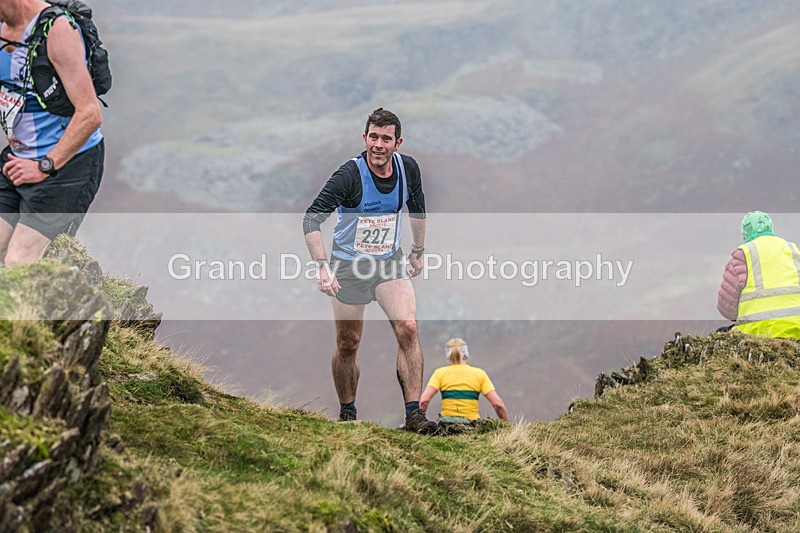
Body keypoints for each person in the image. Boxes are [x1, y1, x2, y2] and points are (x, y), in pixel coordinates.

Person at [303, 108, 437, 433]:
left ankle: (414, 415)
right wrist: (323, 267)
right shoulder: (349, 175)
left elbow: (417, 210)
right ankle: (348, 414)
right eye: (373, 137)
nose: (378, 145)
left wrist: (418, 251)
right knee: (348, 342)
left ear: (397, 142)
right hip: (348, 267)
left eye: (386, 138)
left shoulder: (408, 170)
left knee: (408, 328)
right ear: (364, 139)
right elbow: (311, 219)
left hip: (390, 262)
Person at [0, 0, 104, 266]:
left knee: (18, 261)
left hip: (66, 167)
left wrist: (44, 166)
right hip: (17, 160)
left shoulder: (57, 30)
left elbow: (90, 114)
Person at [717, 211, 800, 339]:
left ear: (745, 233)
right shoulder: (793, 249)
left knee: (721, 334)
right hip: (796, 329)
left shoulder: (743, 254)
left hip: (756, 331)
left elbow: (726, 308)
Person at [419, 338, 508, 429]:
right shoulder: (479, 374)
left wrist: (418, 423)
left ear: (448, 355)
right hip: (471, 425)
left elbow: (423, 401)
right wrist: (507, 426)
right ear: (466, 355)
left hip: (446, 425)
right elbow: (498, 404)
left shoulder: (439, 373)